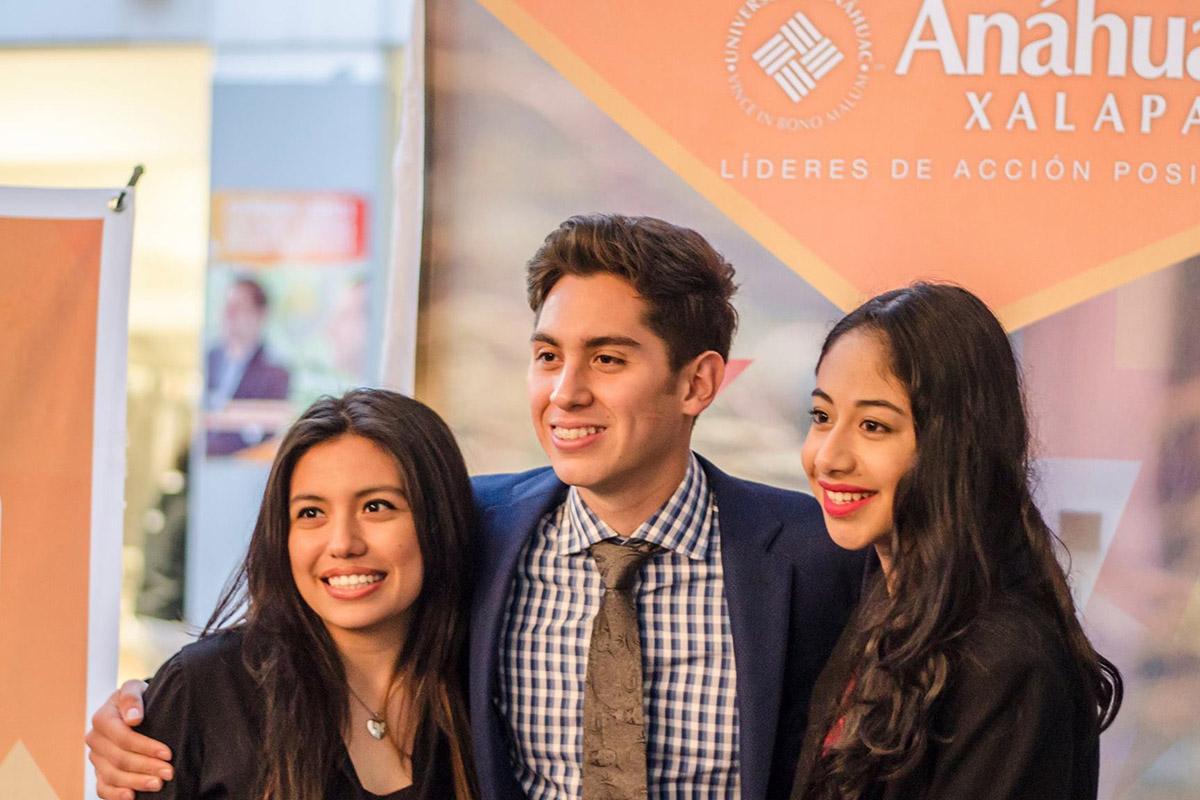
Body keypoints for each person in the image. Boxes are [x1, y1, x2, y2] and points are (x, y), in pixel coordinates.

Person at [88, 214, 867, 800]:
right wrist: (146, 711)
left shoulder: (815, 556)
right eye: (547, 356)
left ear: (699, 383)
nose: (567, 392)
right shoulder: (472, 529)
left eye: (607, 358)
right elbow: (296, 647)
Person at [791, 283, 1123, 800]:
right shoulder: (876, 605)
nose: (829, 457)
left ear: (956, 445)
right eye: (822, 417)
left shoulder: (1006, 658)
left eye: (874, 426)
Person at [121, 389, 478, 799]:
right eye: (311, 513)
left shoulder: (485, 688)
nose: (342, 543)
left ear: (440, 520)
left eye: (377, 506)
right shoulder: (204, 690)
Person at [205, 277, 291, 456]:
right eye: (227, 306)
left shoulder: (275, 373)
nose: (229, 315)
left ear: (259, 315)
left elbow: (266, 437)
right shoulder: (208, 360)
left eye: (238, 307)